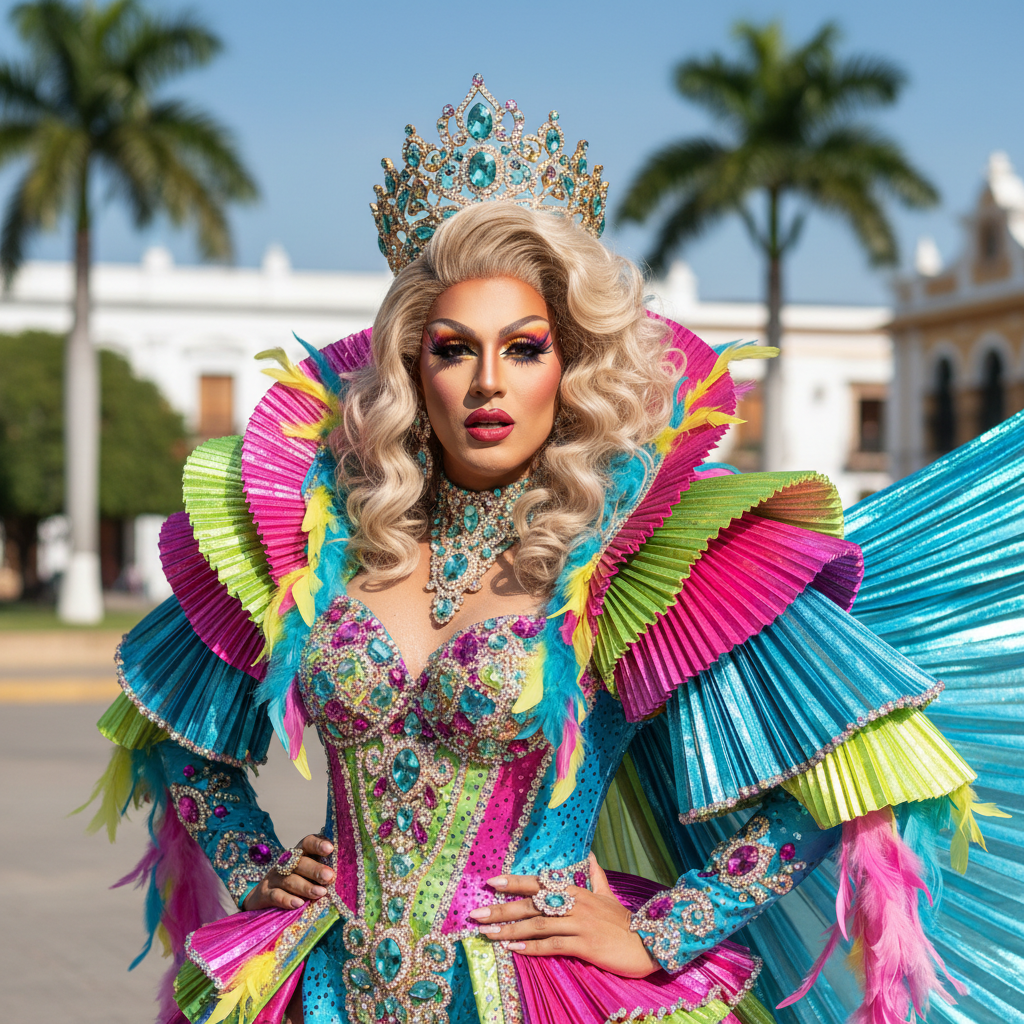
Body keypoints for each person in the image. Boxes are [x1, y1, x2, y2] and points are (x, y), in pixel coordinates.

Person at [85, 76, 1024, 1024]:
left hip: (540, 996)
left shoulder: (634, 547)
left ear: (569, 365)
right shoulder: (323, 532)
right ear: (414, 366)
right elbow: (170, 725)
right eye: (454, 348)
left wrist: (665, 932)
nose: (487, 382)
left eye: (524, 348)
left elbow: (850, 760)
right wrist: (254, 864)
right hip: (322, 989)